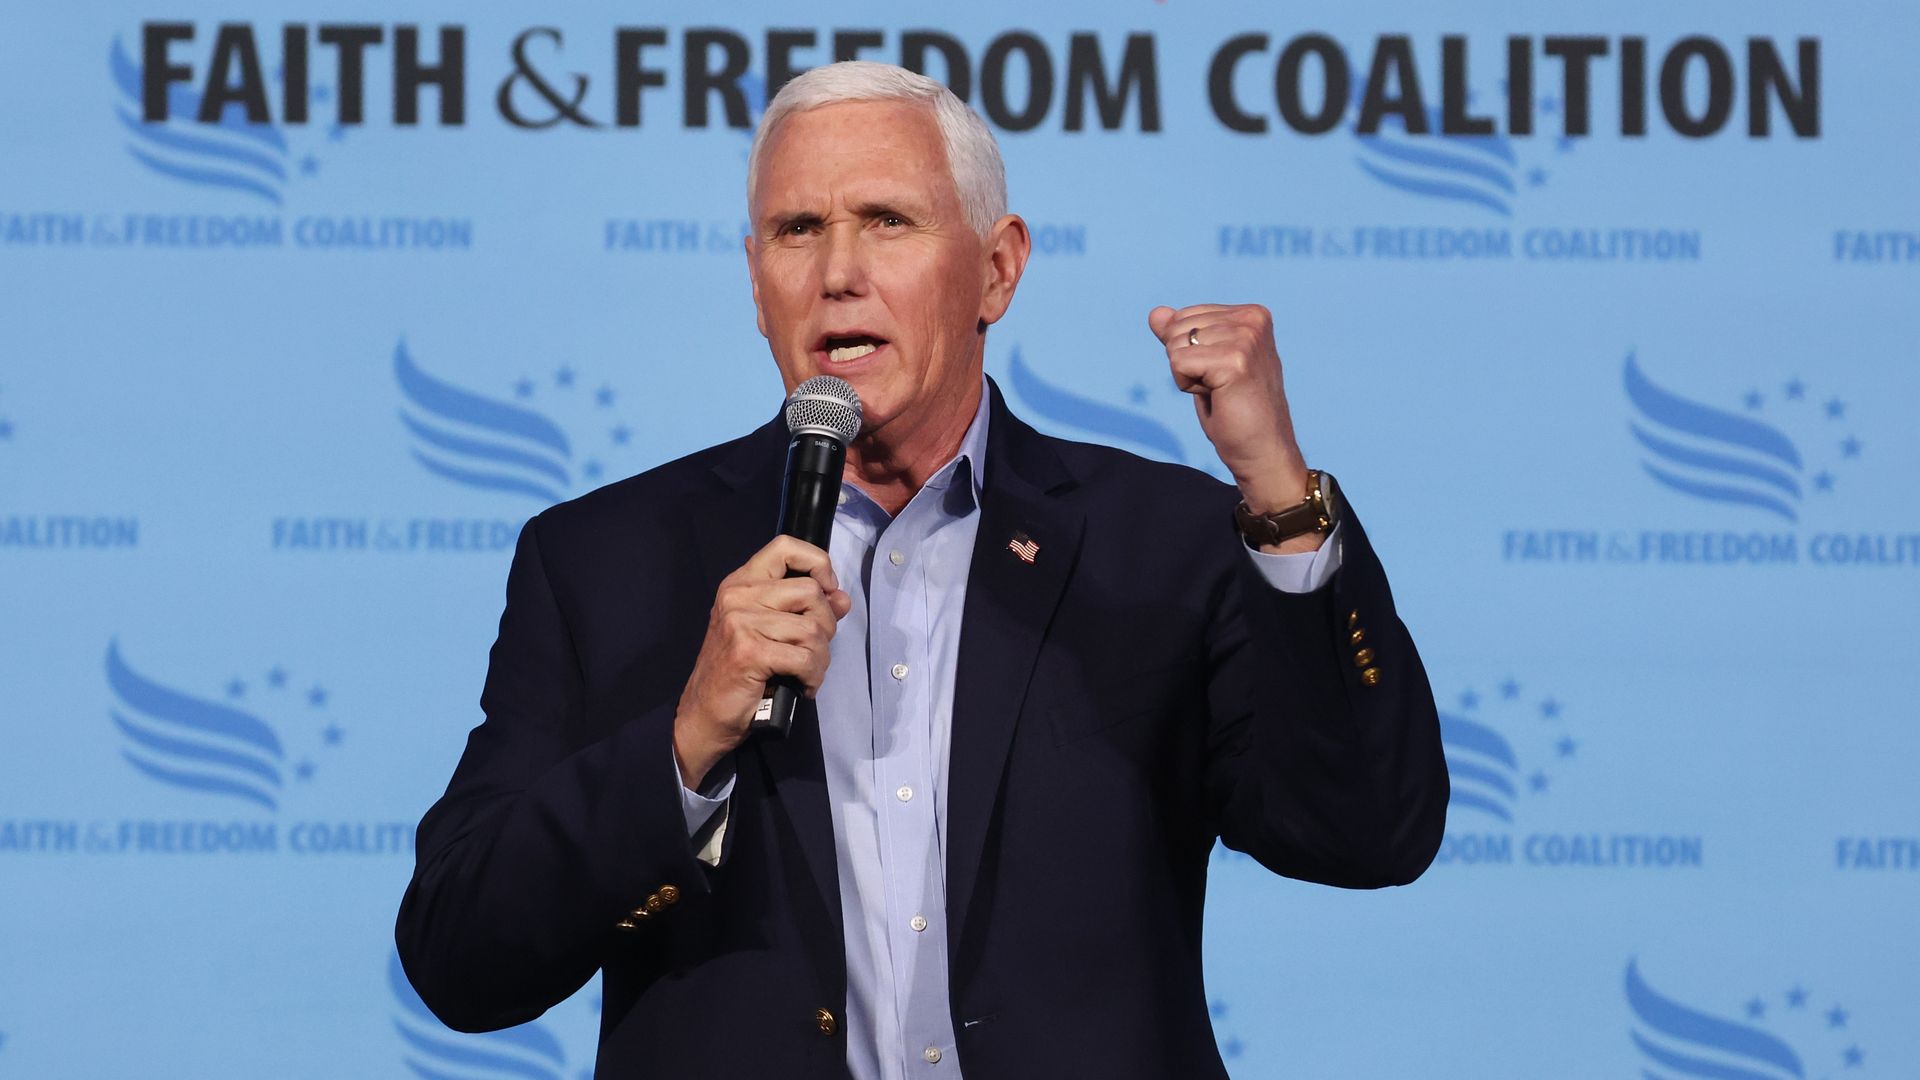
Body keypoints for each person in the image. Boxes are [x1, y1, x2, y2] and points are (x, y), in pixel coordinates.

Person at [396, 61, 1446, 1079]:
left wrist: (1278, 495)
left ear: (997, 269)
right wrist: (684, 743)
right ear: (756, 284)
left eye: (887, 221)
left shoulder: (1160, 546)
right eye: (797, 229)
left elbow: (1367, 834)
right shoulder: (603, 562)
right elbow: (459, 958)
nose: (837, 270)